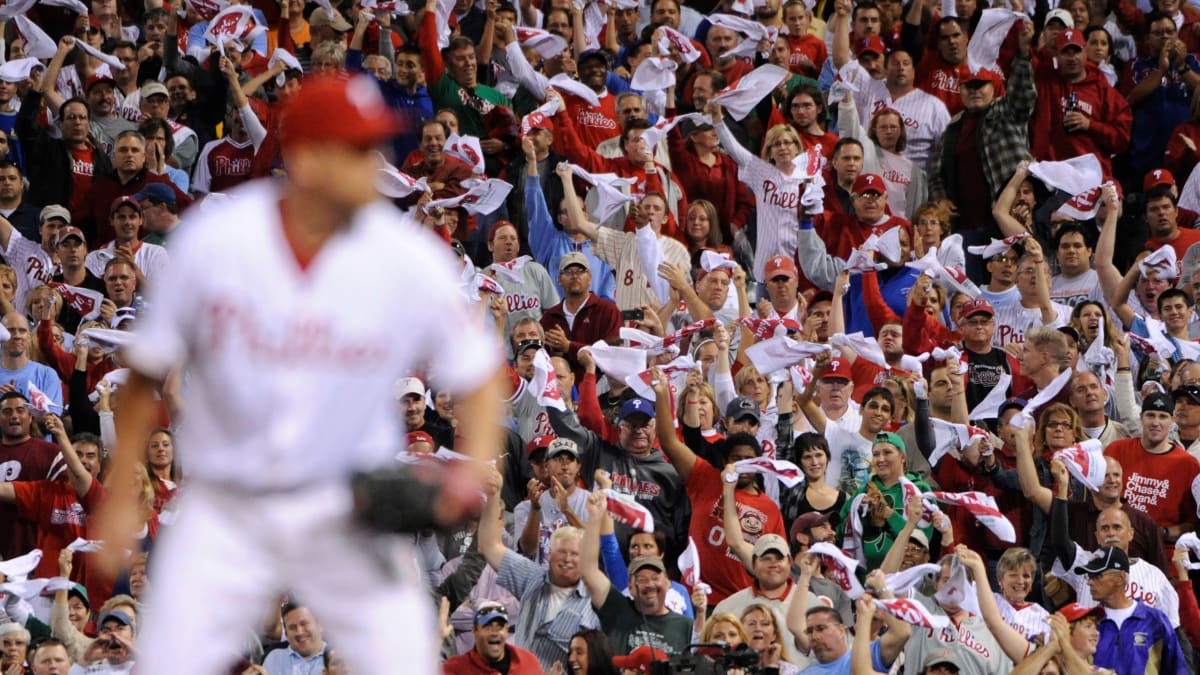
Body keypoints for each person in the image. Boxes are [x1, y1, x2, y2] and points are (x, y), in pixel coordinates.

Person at [93, 75, 504, 675]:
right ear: (307, 159)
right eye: (356, 151)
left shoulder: (403, 256)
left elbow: (480, 371)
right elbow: (143, 374)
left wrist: (474, 464)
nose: (376, 164)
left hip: (347, 504)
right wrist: (117, 499)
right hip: (230, 504)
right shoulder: (219, 242)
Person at [580, 490, 693, 656]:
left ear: (668, 584)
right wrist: (595, 518)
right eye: (641, 579)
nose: (649, 585)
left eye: (655, 578)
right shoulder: (617, 609)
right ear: (630, 587)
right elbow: (588, 570)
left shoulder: (685, 627)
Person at [1081, 546, 1190, 674]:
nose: (1089, 582)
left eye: (1097, 576)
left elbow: (1177, 670)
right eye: (1089, 576)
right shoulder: (1087, 623)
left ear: (1120, 578)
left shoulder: (1156, 621)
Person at [442, 603, 543, 675]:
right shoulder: (455, 668)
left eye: (499, 626)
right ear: (475, 631)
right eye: (487, 627)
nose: (494, 633)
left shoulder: (528, 662)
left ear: (507, 630)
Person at [263, 603, 326, 674]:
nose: (299, 632)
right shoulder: (275, 659)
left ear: (320, 625)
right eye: (292, 627)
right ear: (286, 634)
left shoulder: (337, 657)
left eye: (304, 623)